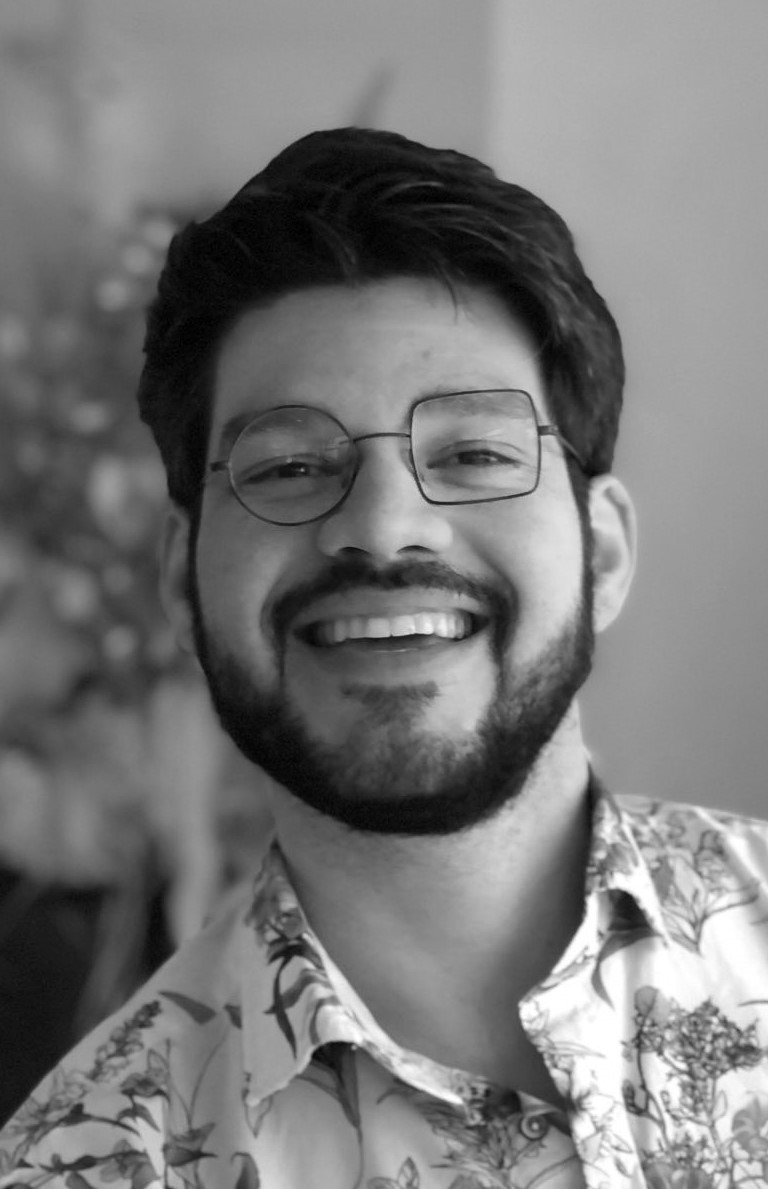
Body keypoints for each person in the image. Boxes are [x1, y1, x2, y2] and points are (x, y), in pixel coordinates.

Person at [1, 127, 767, 1189]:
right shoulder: (85, 1162)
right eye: (290, 466)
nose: (384, 527)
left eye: (474, 452)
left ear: (601, 552)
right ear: (181, 581)